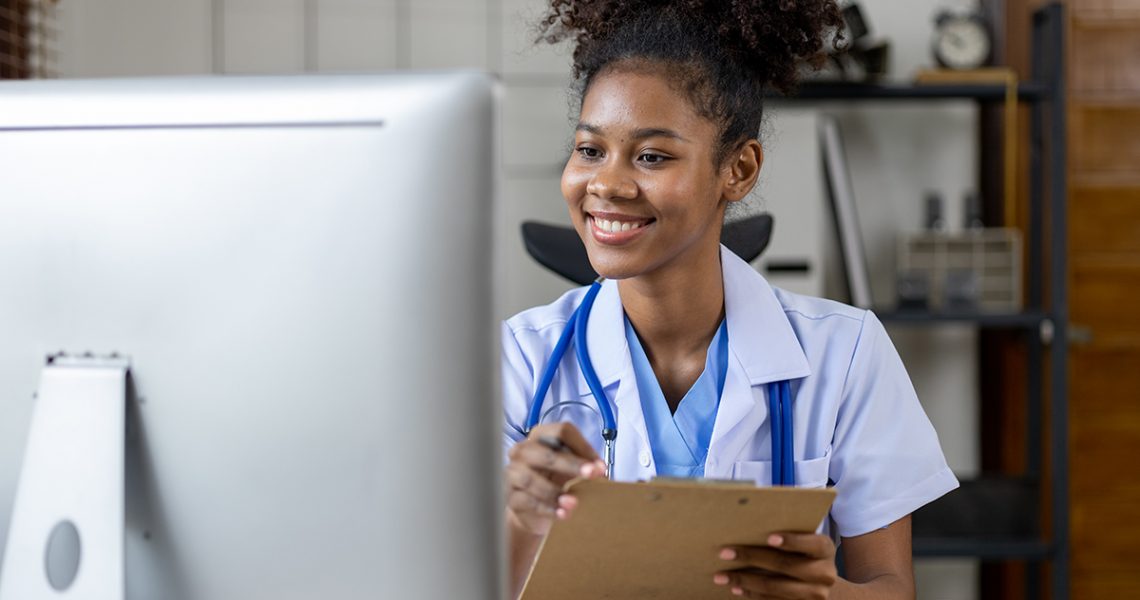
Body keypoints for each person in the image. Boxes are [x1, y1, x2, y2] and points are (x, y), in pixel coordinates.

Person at [501, 1, 959, 598]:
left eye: (652, 156)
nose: (607, 185)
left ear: (738, 169)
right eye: (590, 150)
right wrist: (518, 516)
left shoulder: (844, 352)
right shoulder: (520, 358)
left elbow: (889, 586)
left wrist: (824, 596)